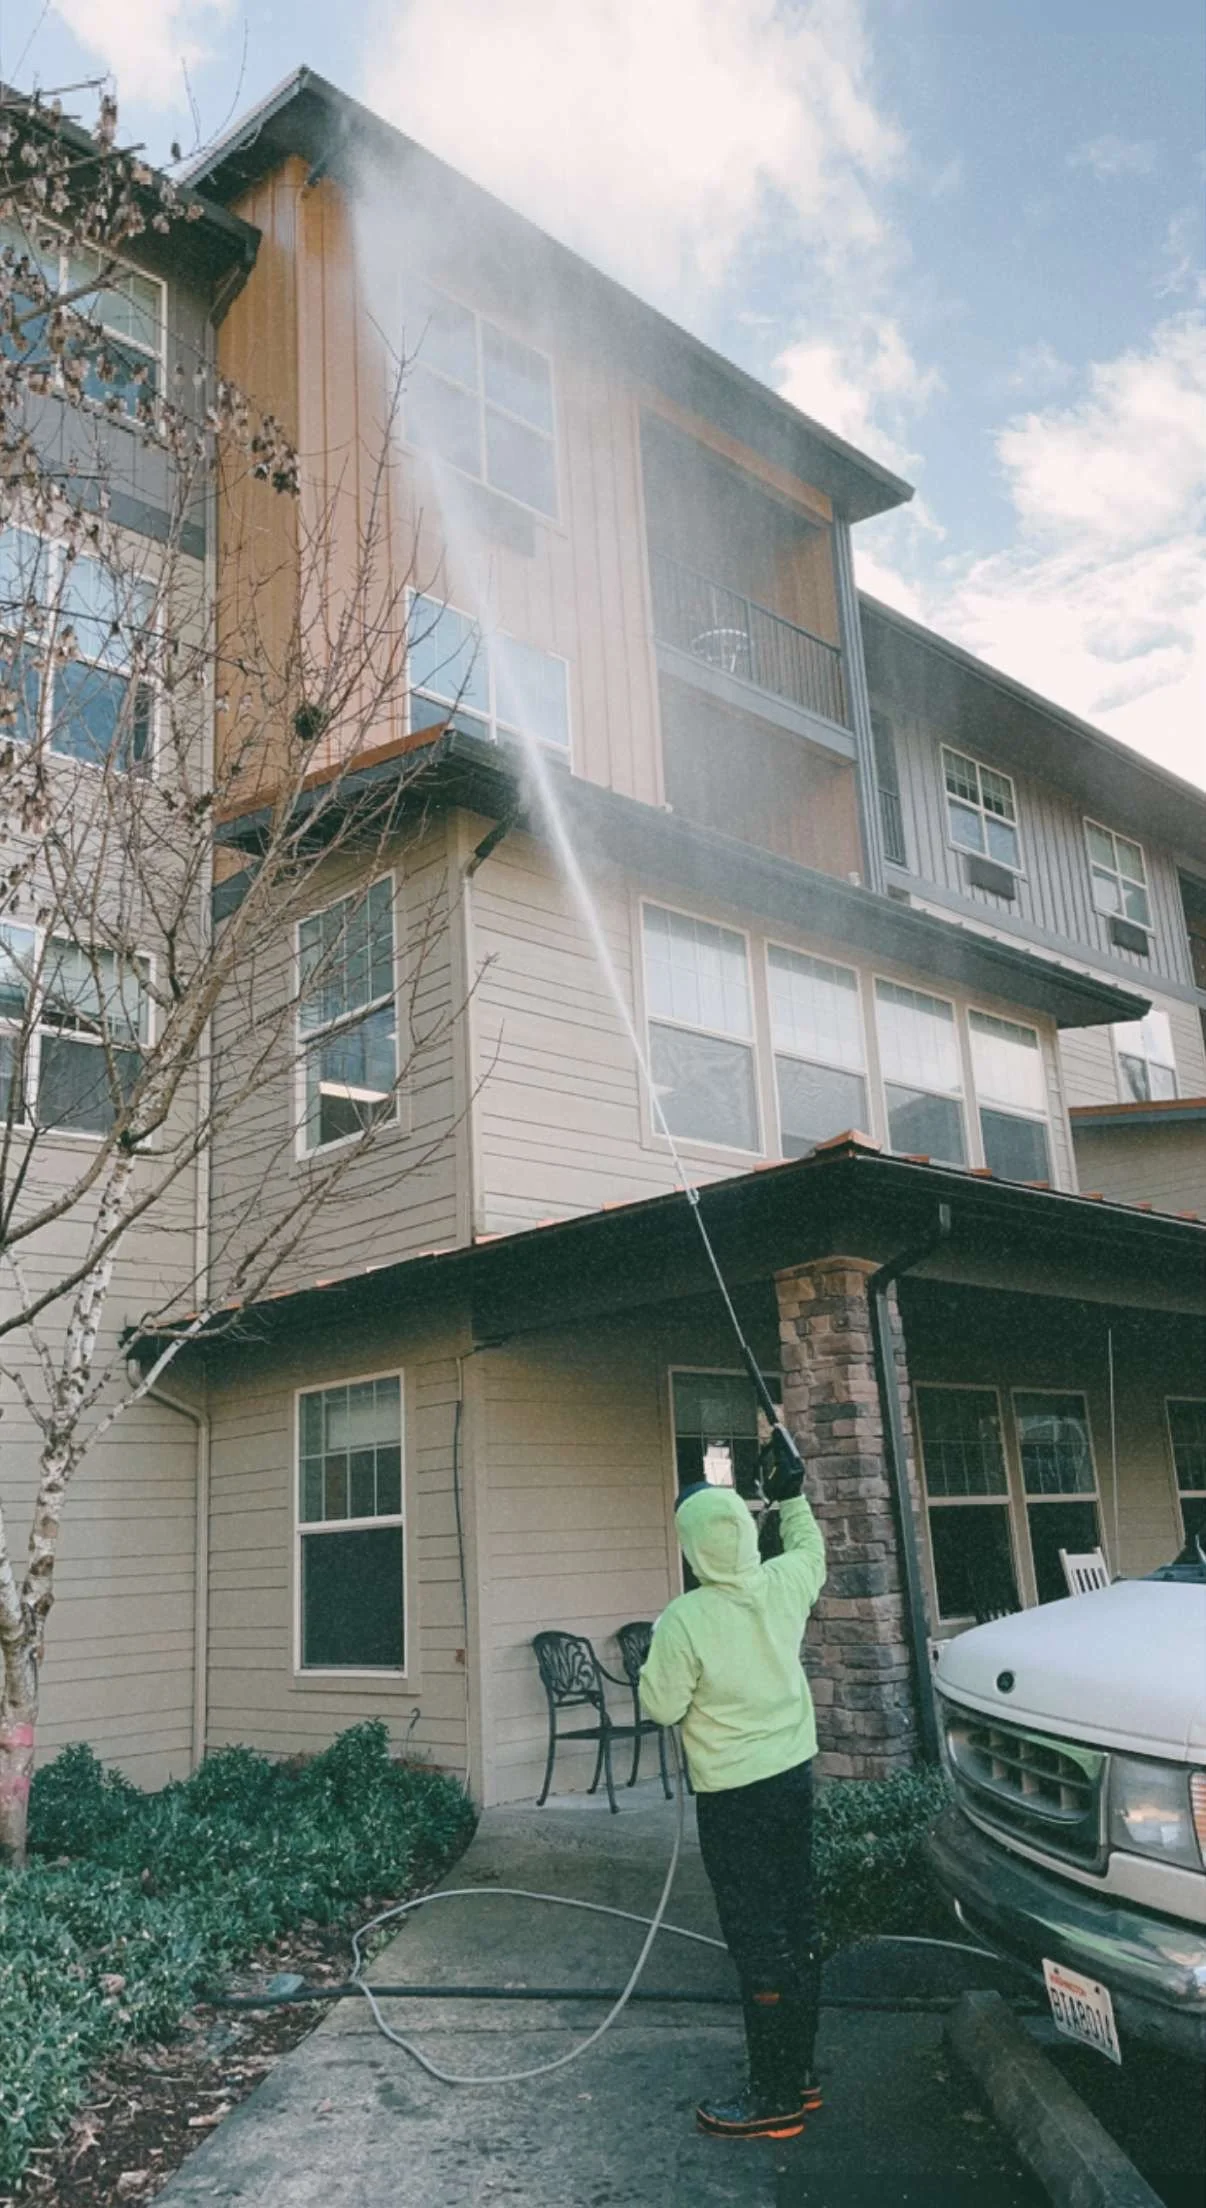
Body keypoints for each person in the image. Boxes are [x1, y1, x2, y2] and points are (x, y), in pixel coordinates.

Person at [638, 1441, 826, 2141]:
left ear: (691, 1550)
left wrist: (653, 1659)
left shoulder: (685, 1619)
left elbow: (659, 1705)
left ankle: (773, 2098)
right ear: (749, 1532)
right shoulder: (784, 1585)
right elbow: (811, 1549)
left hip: (736, 1801)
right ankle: (800, 2077)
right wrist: (793, 1494)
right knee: (799, 1926)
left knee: (758, 1941)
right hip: (793, 1782)